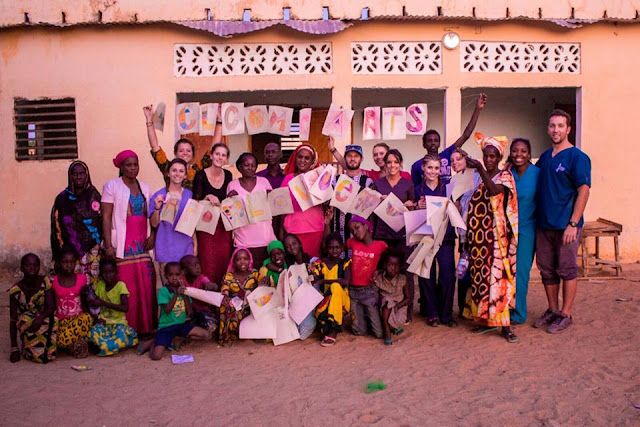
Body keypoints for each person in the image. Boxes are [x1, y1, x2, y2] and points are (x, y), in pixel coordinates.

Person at [533, 110, 591, 333]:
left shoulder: (577, 157)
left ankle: (566, 314)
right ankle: (553, 309)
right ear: (548, 129)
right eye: (552, 126)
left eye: (560, 126)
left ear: (568, 129)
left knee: (567, 269)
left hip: (566, 226)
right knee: (546, 270)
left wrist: (573, 223)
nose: (555, 130)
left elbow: (583, 190)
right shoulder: (545, 158)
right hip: (544, 224)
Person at [463, 134, 519, 343]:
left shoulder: (505, 176)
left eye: (492, 156)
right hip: (479, 238)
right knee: (481, 279)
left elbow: (494, 192)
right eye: (485, 156)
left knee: (498, 279)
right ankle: (484, 321)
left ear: (499, 158)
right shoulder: (479, 177)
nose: (488, 160)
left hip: (496, 237)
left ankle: (506, 327)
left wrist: (478, 168)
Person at [102, 150, 156, 335]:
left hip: (142, 243)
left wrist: (153, 235)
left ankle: (145, 329)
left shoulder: (145, 187)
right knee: (127, 286)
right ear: (121, 167)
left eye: (135, 164)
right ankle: (126, 330)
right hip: (123, 244)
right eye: (128, 165)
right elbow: (106, 216)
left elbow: (151, 215)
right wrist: (108, 245)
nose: (133, 168)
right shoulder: (112, 186)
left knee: (145, 285)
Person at [371, 149, 416, 322]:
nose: (392, 165)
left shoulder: (408, 185)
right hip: (383, 234)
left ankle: (406, 312)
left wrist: (410, 205)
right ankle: (381, 312)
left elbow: (414, 209)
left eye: (396, 162)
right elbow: (370, 209)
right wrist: (377, 201)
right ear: (384, 164)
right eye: (389, 162)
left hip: (403, 234)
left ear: (400, 164)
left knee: (405, 272)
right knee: (382, 272)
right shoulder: (378, 184)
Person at [415, 154, 457, 327]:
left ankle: (446, 314)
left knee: (447, 275)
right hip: (425, 236)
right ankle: (432, 312)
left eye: (436, 168)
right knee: (427, 274)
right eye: (430, 167)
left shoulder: (447, 187)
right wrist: (417, 206)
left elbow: (456, 208)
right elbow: (410, 211)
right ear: (423, 168)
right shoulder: (417, 190)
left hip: (445, 237)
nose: (433, 171)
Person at [411, 93, 487, 188]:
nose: (433, 143)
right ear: (424, 144)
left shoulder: (447, 154)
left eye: (436, 140)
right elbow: (416, 189)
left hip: (449, 195)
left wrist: (478, 109)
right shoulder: (417, 166)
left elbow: (466, 135)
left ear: (439, 143)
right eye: (429, 141)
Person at [143, 104, 222, 190]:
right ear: (175, 153)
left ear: (193, 154)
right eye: (181, 151)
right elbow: (154, 146)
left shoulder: (197, 169)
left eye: (188, 151)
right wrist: (149, 120)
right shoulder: (168, 168)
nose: (185, 153)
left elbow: (214, 149)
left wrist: (219, 121)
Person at [142, 262, 211, 360]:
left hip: (181, 325)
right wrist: (176, 294)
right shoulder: (163, 291)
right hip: (166, 327)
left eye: (177, 275)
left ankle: (176, 339)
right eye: (170, 275)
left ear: (181, 275)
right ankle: (154, 342)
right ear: (165, 276)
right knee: (156, 356)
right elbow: (167, 310)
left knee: (206, 335)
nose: (174, 278)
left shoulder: (184, 289)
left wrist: (184, 294)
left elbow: (189, 311)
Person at [51, 160, 102, 283]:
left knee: (93, 284)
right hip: (70, 252)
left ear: (87, 175)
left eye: (81, 173)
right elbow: (56, 226)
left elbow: (101, 221)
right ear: (70, 176)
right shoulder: (62, 199)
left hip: (94, 249)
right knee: (74, 284)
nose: (78, 177)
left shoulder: (94, 195)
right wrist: (60, 251)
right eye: (75, 174)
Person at [149, 158, 196, 285]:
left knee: (186, 291)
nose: (177, 174)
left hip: (186, 249)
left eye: (181, 171)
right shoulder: (159, 195)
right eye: (174, 170)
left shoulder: (190, 195)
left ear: (185, 175)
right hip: (166, 249)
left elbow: (193, 225)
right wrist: (157, 208)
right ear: (168, 173)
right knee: (168, 291)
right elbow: (154, 224)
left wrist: (195, 246)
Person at [193, 142, 234, 286]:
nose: (220, 157)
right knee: (207, 262)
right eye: (217, 154)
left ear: (226, 159)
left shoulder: (228, 175)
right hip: (206, 227)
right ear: (211, 156)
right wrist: (207, 197)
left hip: (223, 227)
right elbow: (195, 203)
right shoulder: (200, 175)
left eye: (223, 155)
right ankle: (207, 296)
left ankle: (223, 295)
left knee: (224, 261)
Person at [508, 138, 539, 324]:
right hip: (506, 231)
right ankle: (503, 309)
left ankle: (518, 313)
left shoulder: (537, 174)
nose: (518, 154)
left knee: (520, 272)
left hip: (527, 230)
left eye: (523, 151)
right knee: (505, 272)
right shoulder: (507, 174)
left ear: (529, 154)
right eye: (515, 151)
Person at [227, 152, 277, 267]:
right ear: (239, 167)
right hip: (243, 240)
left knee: (265, 271)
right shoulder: (232, 185)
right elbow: (230, 214)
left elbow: (274, 207)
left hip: (265, 237)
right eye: (246, 165)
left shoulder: (264, 182)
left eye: (253, 165)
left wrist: (271, 197)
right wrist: (229, 200)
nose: (250, 168)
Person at [9, 253, 57, 363]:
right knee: (25, 319)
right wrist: (14, 349)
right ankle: (27, 346)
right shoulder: (15, 290)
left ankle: (44, 348)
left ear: (39, 267)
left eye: (35, 265)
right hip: (28, 324)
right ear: (22, 268)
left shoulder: (45, 282)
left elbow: (51, 307)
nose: (32, 268)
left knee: (54, 320)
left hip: (43, 319)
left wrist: (40, 318)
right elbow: (13, 320)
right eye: (28, 265)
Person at [280, 144, 326, 258]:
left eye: (307, 158)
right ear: (295, 158)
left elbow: (325, 203)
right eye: (300, 157)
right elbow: (282, 207)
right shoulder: (288, 179)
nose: (302, 160)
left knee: (314, 263)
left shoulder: (318, 178)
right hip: (293, 230)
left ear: (312, 161)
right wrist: (281, 231)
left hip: (315, 228)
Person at [325, 140, 373, 244]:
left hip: (358, 236)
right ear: (345, 158)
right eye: (349, 156)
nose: (352, 159)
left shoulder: (367, 182)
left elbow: (370, 211)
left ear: (361, 159)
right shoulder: (335, 180)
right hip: (338, 233)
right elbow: (327, 201)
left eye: (356, 156)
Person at [88, 258, 138, 356]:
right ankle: (109, 346)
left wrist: (103, 303)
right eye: (105, 272)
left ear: (116, 272)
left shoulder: (120, 286)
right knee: (91, 333)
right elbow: (95, 304)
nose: (108, 275)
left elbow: (125, 308)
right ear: (101, 274)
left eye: (111, 272)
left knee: (119, 338)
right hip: (104, 323)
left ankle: (107, 346)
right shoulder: (100, 285)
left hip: (119, 323)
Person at [346, 216, 385, 338]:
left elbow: (390, 262)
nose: (355, 232)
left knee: (378, 333)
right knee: (359, 331)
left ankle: (368, 316)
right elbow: (331, 246)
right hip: (353, 292)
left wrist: (379, 271)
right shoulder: (352, 242)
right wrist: (327, 224)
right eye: (352, 231)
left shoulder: (380, 245)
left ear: (366, 226)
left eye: (357, 228)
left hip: (369, 292)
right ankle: (364, 317)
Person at [51, 248, 93, 358]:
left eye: (71, 262)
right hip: (62, 322)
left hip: (78, 321)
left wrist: (91, 319)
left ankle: (67, 343)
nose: (69, 265)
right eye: (65, 262)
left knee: (87, 318)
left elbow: (84, 303)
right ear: (59, 263)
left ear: (75, 263)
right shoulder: (53, 281)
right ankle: (71, 343)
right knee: (57, 331)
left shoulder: (82, 278)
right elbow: (52, 305)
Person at [311, 233, 351, 347]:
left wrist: (323, 281)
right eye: (331, 247)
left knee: (336, 287)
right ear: (326, 248)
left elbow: (346, 282)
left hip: (342, 303)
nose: (334, 250)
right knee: (332, 288)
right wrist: (314, 275)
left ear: (342, 248)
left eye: (337, 247)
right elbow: (314, 280)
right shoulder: (319, 263)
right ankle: (326, 326)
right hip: (324, 301)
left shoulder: (345, 263)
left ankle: (333, 331)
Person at [218, 248, 261, 346]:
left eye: (245, 259)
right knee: (224, 305)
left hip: (251, 306)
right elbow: (224, 288)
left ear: (250, 260)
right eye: (238, 259)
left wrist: (264, 281)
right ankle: (225, 338)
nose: (242, 262)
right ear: (234, 262)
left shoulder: (254, 274)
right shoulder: (229, 276)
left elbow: (263, 285)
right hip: (235, 307)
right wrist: (225, 296)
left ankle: (256, 334)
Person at [282, 233, 318, 339]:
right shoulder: (289, 266)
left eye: (294, 243)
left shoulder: (312, 261)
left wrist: (313, 274)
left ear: (300, 244)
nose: (292, 247)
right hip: (297, 303)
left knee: (306, 328)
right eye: (288, 246)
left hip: (311, 302)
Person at [373, 248, 410, 345]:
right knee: (386, 301)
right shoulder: (379, 279)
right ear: (385, 265)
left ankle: (391, 329)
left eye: (396, 265)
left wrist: (397, 306)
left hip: (399, 309)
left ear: (400, 266)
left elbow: (408, 298)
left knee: (388, 303)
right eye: (390, 265)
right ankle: (387, 331)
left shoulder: (403, 279)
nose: (393, 268)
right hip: (383, 309)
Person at [330, 140, 411, 181]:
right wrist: (333, 149)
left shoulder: (405, 176)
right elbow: (350, 166)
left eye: (381, 153)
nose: (378, 157)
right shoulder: (372, 175)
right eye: (375, 155)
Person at [180, 255, 218, 335]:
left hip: (202, 309)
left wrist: (211, 285)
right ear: (185, 271)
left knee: (212, 326)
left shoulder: (201, 278)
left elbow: (210, 284)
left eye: (198, 264)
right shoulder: (181, 280)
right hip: (187, 310)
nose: (197, 267)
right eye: (194, 265)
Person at [256, 142, 285, 237]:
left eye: (273, 152)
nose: (270, 155)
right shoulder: (257, 177)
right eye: (267, 152)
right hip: (263, 222)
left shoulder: (287, 176)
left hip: (283, 222)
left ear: (281, 154)